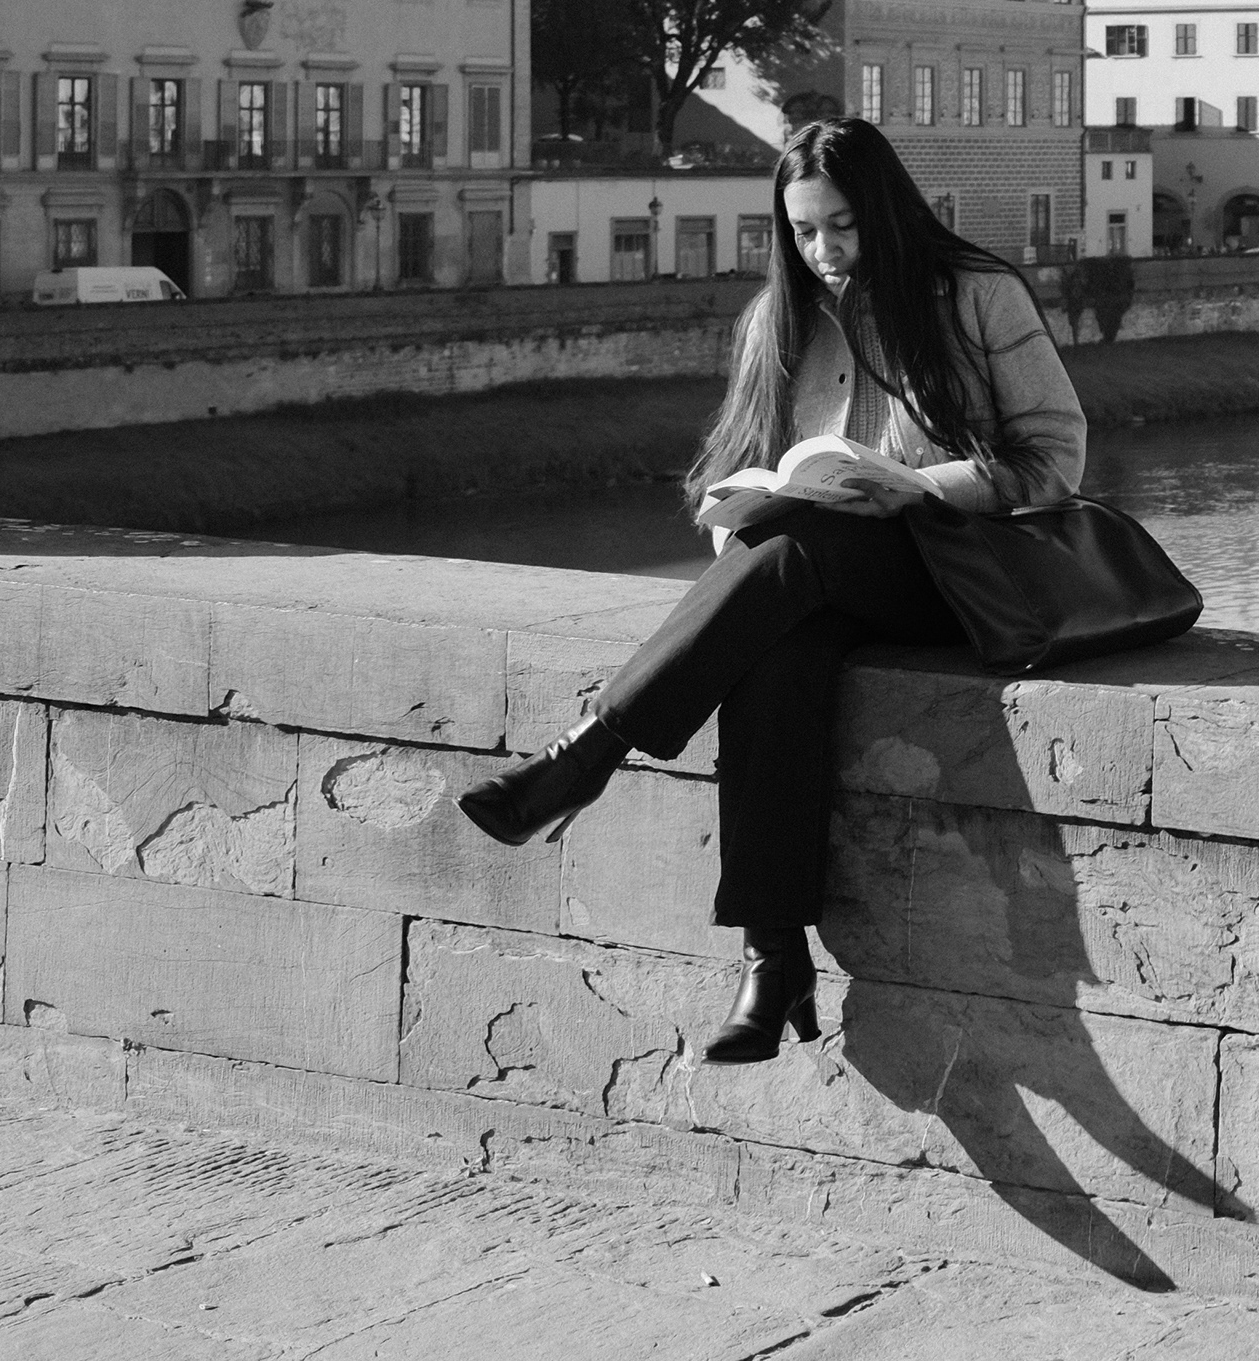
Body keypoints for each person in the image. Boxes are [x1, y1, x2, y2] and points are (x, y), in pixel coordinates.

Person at [457, 117, 1090, 1061]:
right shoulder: (776, 318)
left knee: (804, 554)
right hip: (817, 573)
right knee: (777, 646)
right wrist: (736, 508)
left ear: (885, 210)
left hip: (954, 576)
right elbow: (745, 467)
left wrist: (917, 484)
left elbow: (1057, 458)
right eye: (802, 232)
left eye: (841, 226)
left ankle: (591, 750)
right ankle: (772, 953)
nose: (823, 251)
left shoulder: (976, 295)